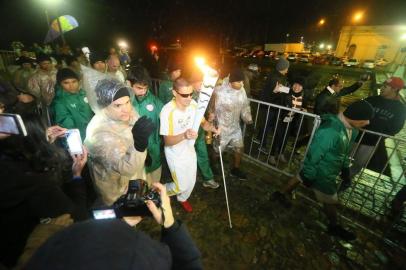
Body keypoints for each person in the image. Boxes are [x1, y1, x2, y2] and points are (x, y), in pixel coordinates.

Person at [24, 183, 203, 270]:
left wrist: (118, 222)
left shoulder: (47, 255)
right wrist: (170, 225)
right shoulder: (136, 258)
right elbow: (190, 265)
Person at [272, 100, 375, 241]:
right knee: (330, 200)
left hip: (326, 168)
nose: (367, 123)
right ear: (354, 117)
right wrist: (309, 174)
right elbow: (313, 155)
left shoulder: (353, 130)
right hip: (322, 172)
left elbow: (343, 153)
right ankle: (334, 226)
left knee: (299, 177)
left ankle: (280, 193)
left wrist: (345, 170)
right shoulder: (330, 131)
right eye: (365, 120)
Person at [0, 114, 88, 267]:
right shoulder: (36, 183)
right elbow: (78, 217)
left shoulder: (8, 164)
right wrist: (77, 176)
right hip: (32, 257)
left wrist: (40, 139)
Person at [84, 77, 154, 206]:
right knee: (124, 221)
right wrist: (139, 147)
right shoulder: (100, 133)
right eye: (117, 105)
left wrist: (143, 151)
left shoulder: (124, 113)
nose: (126, 109)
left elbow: (133, 123)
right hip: (117, 190)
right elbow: (126, 168)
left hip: (133, 180)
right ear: (104, 106)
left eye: (127, 102)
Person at [160, 78, 219, 212]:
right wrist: (184, 135)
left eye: (191, 94)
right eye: (184, 95)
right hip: (175, 154)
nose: (189, 98)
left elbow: (203, 123)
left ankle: (182, 199)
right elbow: (167, 141)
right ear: (174, 93)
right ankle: (160, 191)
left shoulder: (193, 104)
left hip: (189, 149)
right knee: (180, 185)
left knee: (191, 181)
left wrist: (213, 128)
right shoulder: (167, 111)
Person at [349, 77, 406, 181]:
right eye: (382, 85)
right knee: (341, 157)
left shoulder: (400, 109)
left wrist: (377, 133)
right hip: (355, 136)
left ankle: (347, 179)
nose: (381, 88)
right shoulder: (372, 100)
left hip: (372, 142)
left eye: (385, 86)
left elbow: (396, 127)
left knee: (358, 164)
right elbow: (356, 111)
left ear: (395, 89)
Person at [209, 68, 253, 180]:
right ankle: (213, 164)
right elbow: (212, 108)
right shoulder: (219, 91)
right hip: (221, 128)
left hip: (235, 126)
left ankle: (235, 169)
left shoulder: (241, 90)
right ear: (231, 82)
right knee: (217, 151)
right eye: (239, 82)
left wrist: (248, 119)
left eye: (242, 81)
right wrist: (211, 121)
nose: (242, 84)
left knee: (239, 148)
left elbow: (244, 105)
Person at [127, 66, 164, 186]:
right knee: (138, 186)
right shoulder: (123, 102)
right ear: (129, 84)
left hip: (153, 151)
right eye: (138, 88)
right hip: (133, 153)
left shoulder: (155, 102)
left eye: (145, 88)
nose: (142, 91)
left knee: (154, 183)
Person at [190, 71, 220, 189]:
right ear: (193, 83)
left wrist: (210, 115)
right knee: (188, 157)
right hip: (187, 134)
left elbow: (203, 113)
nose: (202, 86)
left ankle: (208, 178)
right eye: (200, 83)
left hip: (200, 132)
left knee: (203, 154)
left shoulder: (201, 94)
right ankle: (187, 181)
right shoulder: (186, 95)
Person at [268, 76, 308, 164]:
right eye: (295, 84)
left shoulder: (303, 97)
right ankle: (272, 155)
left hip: (291, 121)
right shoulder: (286, 91)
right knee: (277, 137)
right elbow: (273, 99)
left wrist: (304, 110)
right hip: (281, 119)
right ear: (292, 84)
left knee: (285, 138)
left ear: (302, 88)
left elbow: (304, 107)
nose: (297, 87)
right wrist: (275, 91)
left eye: (300, 86)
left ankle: (281, 153)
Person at [51, 68, 94, 140]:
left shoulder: (84, 95)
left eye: (74, 81)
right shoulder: (60, 102)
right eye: (66, 83)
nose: (71, 86)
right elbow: (67, 127)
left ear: (78, 82)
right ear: (60, 84)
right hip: (80, 140)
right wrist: (77, 147)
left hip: (93, 136)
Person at [257, 58, 289, 149]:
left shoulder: (277, 76)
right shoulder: (275, 77)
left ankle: (259, 139)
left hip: (270, 105)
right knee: (266, 126)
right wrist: (277, 92)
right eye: (287, 68)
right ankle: (262, 145)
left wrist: (283, 90)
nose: (287, 70)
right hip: (269, 106)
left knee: (266, 124)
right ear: (283, 67)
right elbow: (271, 92)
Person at [27, 53, 57, 122]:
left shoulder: (56, 72)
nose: (47, 65)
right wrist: (44, 100)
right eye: (44, 63)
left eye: (49, 63)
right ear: (39, 64)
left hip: (59, 101)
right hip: (45, 104)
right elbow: (34, 91)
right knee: (49, 119)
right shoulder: (35, 76)